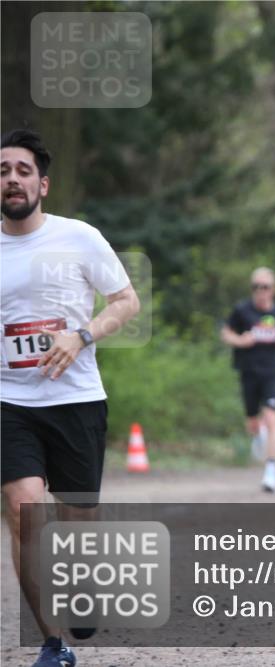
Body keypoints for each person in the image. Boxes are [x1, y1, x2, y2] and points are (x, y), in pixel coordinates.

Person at [1, 129, 142, 667]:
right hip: (9, 402)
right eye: (2, 171)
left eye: (22, 170)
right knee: (23, 510)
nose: (12, 179)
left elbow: (126, 301)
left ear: (43, 184)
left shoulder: (79, 238)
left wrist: (81, 335)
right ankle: (53, 644)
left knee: (79, 518)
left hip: (76, 399)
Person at [220, 267, 275, 493]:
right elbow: (226, 333)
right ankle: (258, 433)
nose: (261, 291)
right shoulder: (242, 310)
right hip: (248, 372)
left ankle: (271, 469)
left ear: (273, 289)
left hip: (272, 372)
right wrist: (240, 340)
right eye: (256, 287)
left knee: (272, 417)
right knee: (253, 422)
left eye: (265, 287)